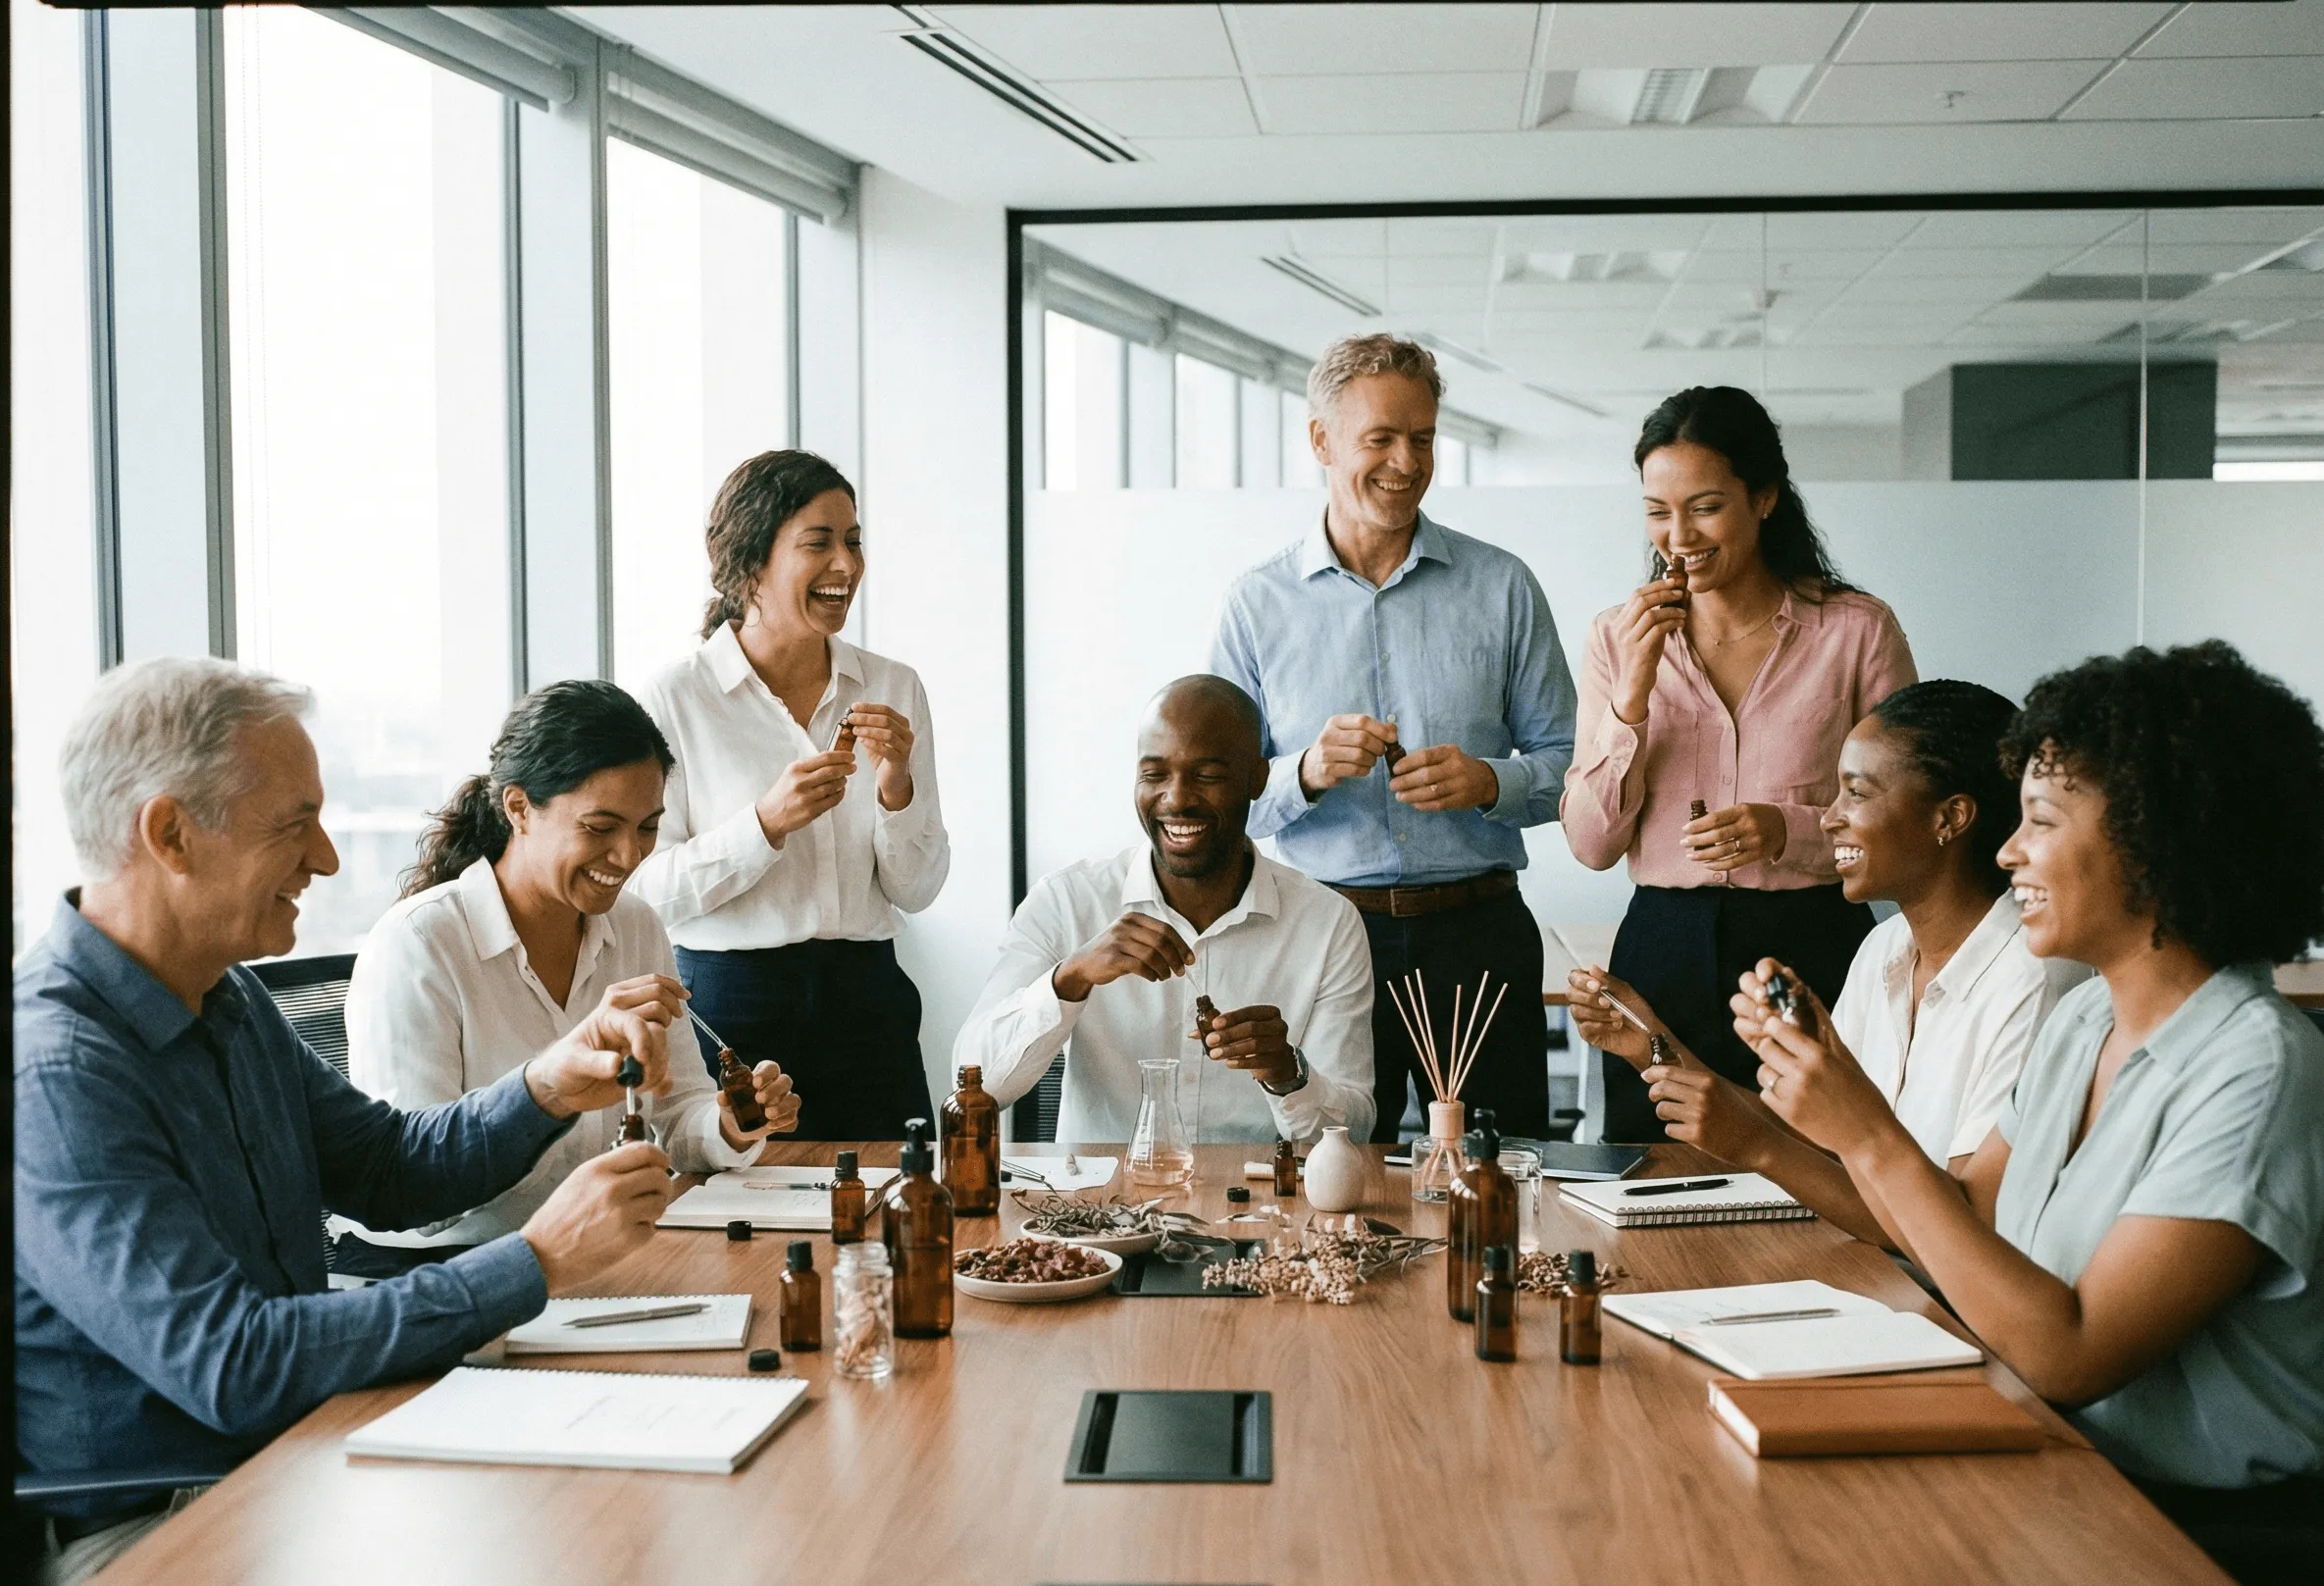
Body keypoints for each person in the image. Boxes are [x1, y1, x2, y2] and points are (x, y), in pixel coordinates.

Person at [15, 659, 679, 1585]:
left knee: (618, 1525)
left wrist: (547, 1083)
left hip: (296, 1447)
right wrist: (538, 1258)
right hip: (163, 1520)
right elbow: (235, 1363)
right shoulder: (56, 1072)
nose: (326, 858)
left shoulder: (225, 997)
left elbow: (385, 1166)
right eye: (294, 824)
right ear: (169, 833)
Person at [1738, 641, 2324, 1585]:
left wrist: (1864, 1131)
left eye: (2040, 821)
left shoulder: (2255, 1066)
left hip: (2192, 1530)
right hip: (2048, 1456)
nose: (2007, 851)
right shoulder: (2088, 1013)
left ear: (2156, 840)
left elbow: (2069, 1352)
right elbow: (1968, 1216)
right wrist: (1823, 1093)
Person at [1567, 680, 2088, 1245]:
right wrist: (1653, 1041)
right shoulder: (1884, 950)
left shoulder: (2035, 982)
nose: (1828, 818)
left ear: (1950, 818)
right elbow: (1821, 1146)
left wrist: (1756, 1146)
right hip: (1868, 1271)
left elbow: (1962, 1234)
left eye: (1856, 794)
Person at [1213, 333, 1575, 1142]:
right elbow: (1215, 797)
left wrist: (1489, 782)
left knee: (1504, 1173)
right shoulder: (1255, 604)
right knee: (1332, 1174)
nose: (1405, 462)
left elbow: (1572, 770)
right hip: (1324, 938)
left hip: (1479, 933)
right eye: (1380, 438)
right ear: (1321, 440)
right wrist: (1302, 771)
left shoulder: (1503, 585)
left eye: (1421, 438)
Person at [1561, 385, 1917, 1143]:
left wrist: (1783, 829)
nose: (1678, 534)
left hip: (1811, 945)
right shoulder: (1611, 636)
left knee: (1818, 1168)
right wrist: (1630, 694)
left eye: (1705, 505)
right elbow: (1590, 844)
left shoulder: (1854, 630)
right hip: (1662, 949)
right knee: (1652, 1175)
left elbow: (1907, 818)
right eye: (1657, 510)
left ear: (1764, 498)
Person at [342, 681, 801, 1259]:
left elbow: (681, 1114)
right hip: (439, 1269)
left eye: (647, 826)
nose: (630, 857)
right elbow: (421, 1188)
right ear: (518, 808)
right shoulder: (418, 943)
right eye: (600, 828)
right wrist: (549, 1094)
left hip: (586, 1251)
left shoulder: (635, 926)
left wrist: (731, 1123)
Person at [631, 450, 949, 1140]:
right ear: (750, 565)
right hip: (733, 1010)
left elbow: (917, 888)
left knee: (902, 1211)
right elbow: (644, 891)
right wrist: (764, 825)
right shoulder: (673, 698)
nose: (846, 564)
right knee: (737, 1233)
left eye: (854, 541)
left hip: (871, 1004)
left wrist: (896, 788)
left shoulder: (895, 687)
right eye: (819, 543)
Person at [955, 676, 1374, 1146]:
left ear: (1257, 780)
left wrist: (1287, 1072)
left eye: (1208, 776)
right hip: (1098, 1208)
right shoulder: (1067, 901)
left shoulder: (1329, 924)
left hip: (1260, 1207)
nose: (1176, 799)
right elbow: (972, 1084)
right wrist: (1069, 979)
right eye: (1154, 775)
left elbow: (1354, 1132)